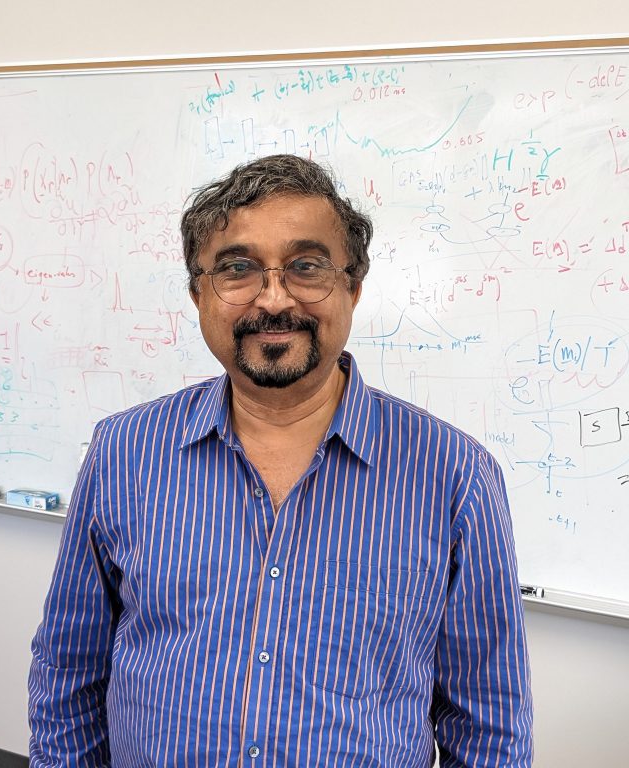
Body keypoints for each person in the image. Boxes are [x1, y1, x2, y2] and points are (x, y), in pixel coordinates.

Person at [28, 154, 533, 767]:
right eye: (237, 268)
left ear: (352, 287)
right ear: (198, 294)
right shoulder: (123, 452)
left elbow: (489, 719)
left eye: (306, 266)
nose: (273, 298)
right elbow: (67, 670)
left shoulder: (455, 476)